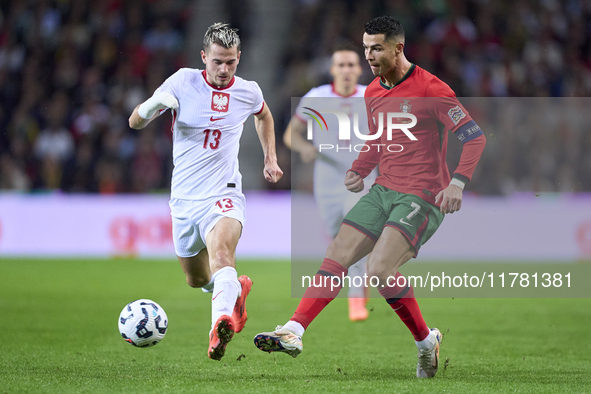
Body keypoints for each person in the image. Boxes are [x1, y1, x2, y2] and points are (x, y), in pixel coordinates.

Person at [254, 16, 486, 378]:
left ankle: (426, 342)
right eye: (366, 48)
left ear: (398, 48)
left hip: (422, 196)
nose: (369, 56)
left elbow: (474, 137)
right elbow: (379, 139)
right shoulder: (374, 91)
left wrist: (457, 182)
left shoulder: (432, 89)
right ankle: (294, 331)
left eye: (376, 48)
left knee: (379, 269)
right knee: (336, 255)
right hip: (383, 190)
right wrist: (359, 169)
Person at [129, 23, 283, 361]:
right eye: (217, 62)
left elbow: (264, 116)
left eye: (231, 62)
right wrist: (156, 103)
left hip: (223, 193)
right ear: (204, 58)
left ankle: (219, 327)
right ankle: (234, 291)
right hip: (184, 199)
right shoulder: (181, 82)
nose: (224, 70)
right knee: (197, 278)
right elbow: (134, 122)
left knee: (222, 256)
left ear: (239, 58)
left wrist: (270, 157)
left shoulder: (248, 91)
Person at [284, 45, 377, 322]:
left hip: (360, 177)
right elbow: (291, 134)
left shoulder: (371, 96)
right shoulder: (317, 97)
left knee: (355, 230)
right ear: (333, 70)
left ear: (360, 70)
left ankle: (356, 293)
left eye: (351, 65)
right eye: (341, 65)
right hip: (326, 179)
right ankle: (356, 281)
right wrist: (303, 148)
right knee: (335, 232)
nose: (347, 70)